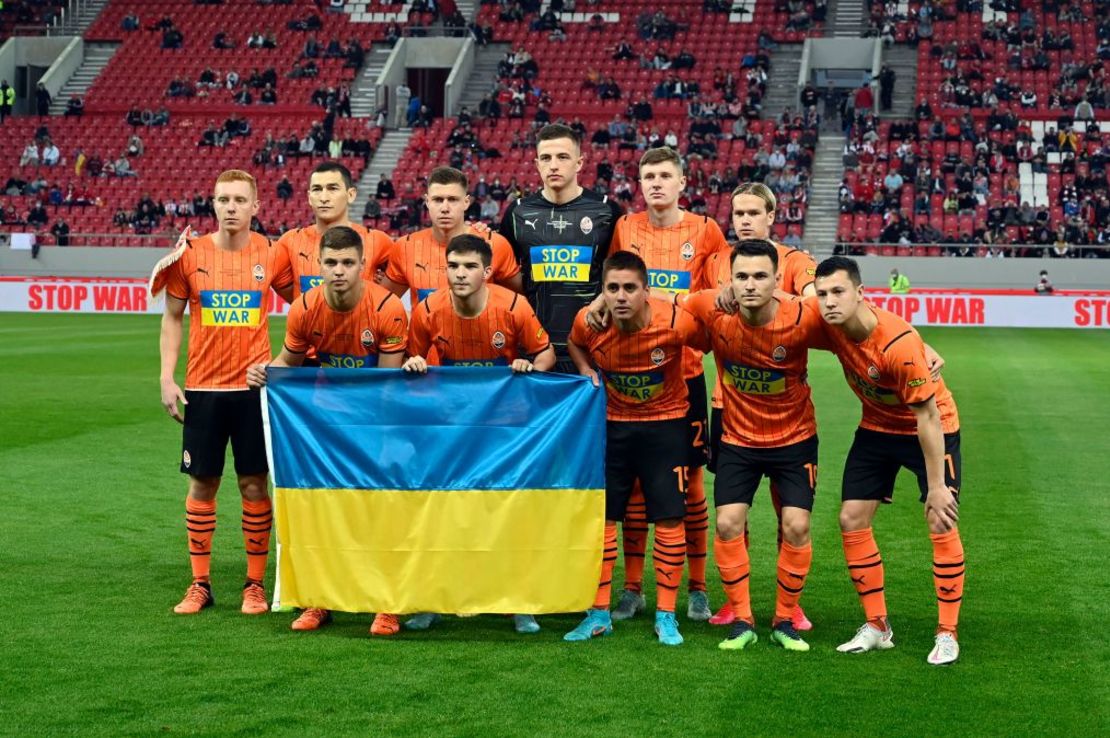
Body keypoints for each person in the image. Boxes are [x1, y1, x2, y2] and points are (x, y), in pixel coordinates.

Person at [246, 225, 408, 634]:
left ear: (362, 266)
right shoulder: (304, 307)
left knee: (380, 514)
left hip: (374, 427)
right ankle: (321, 600)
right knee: (324, 513)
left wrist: (371, 435)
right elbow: (289, 361)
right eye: (331, 263)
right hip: (324, 428)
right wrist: (265, 372)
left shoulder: (387, 307)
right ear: (318, 265)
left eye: (347, 263)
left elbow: (386, 389)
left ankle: (387, 603)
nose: (338, 271)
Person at [590, 147, 728, 623]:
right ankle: (632, 589)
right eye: (648, 176)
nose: (655, 184)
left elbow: (712, 296)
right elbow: (614, 285)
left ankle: (697, 587)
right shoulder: (626, 228)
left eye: (665, 175)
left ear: (683, 182)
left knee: (688, 489)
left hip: (685, 374)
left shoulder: (706, 231)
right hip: (632, 373)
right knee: (631, 493)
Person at [813, 256, 965, 666]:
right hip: (877, 428)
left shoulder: (898, 344)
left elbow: (928, 417)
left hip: (932, 428)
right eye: (823, 293)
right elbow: (783, 301)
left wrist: (936, 486)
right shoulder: (827, 321)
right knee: (851, 518)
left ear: (861, 293)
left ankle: (947, 632)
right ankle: (878, 626)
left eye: (838, 292)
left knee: (940, 517)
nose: (829, 301)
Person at [400, 233, 555, 636]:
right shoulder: (428, 310)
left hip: (504, 431)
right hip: (449, 430)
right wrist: (414, 363)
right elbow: (411, 357)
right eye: (453, 266)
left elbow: (546, 353)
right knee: (443, 515)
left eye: (469, 266)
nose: (460, 273)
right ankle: (433, 600)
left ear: (487, 272)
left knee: (506, 515)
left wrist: (531, 370)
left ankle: (518, 603)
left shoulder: (513, 307)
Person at [682, 240, 826, 652]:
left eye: (760, 276)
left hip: (795, 440)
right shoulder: (712, 307)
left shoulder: (803, 316)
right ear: (730, 280)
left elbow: (857, 327)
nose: (750, 285)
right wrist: (603, 302)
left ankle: (785, 618)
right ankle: (741, 618)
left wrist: (916, 344)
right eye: (741, 277)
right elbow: (662, 303)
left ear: (778, 280)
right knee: (728, 523)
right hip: (738, 439)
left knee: (796, 525)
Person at [153, 170, 281, 617]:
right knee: (203, 483)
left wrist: (282, 361)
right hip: (203, 389)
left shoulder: (273, 252)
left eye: (239, 200)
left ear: (255, 205)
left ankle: (254, 585)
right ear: (213, 204)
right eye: (223, 199)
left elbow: (308, 300)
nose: (231, 207)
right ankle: (200, 583)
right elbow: (171, 316)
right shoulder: (190, 256)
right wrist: (167, 378)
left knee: (253, 484)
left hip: (254, 390)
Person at [563, 252, 709, 647]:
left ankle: (666, 615)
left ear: (646, 291)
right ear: (603, 293)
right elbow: (574, 343)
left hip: (667, 428)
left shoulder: (676, 321)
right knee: (605, 520)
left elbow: (710, 341)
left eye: (630, 288)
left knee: (668, 520)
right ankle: (598, 614)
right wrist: (585, 370)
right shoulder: (589, 323)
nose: (621, 296)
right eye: (613, 288)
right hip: (613, 428)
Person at [701, 182, 817, 630]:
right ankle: (737, 600)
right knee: (735, 508)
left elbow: (814, 302)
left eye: (753, 212)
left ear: (773, 215)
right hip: (726, 404)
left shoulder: (795, 262)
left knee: (789, 511)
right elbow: (695, 309)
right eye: (738, 213)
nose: (745, 220)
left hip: (784, 408)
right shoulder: (717, 263)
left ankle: (791, 603)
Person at [498, 123, 623, 374]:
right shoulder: (517, 212)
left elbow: (621, 274)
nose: (553, 165)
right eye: (546, 158)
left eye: (562, 157)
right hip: (534, 351)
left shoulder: (607, 211)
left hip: (592, 348)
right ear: (536, 164)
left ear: (579, 162)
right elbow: (502, 277)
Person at [383, 167, 521, 304]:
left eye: (453, 199)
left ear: (466, 202)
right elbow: (382, 305)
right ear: (427, 202)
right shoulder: (405, 247)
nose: (445, 208)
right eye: (438, 200)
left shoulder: (494, 244)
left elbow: (521, 300)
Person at [272, 162, 393, 308]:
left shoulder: (378, 241)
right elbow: (292, 296)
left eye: (332, 188)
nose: (324, 197)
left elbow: (393, 291)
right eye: (317, 189)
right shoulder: (289, 242)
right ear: (309, 197)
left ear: (351, 195)